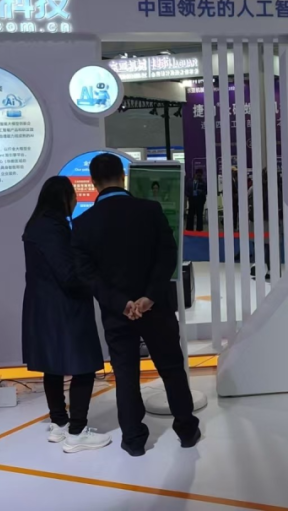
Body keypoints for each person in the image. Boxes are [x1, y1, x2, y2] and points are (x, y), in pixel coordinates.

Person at [72, 153, 200, 455]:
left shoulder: (83, 224)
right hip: (157, 308)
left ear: (93, 182)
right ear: (123, 176)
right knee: (171, 368)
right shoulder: (150, 210)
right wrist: (149, 297)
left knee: (126, 374)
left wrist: (122, 303)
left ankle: (133, 439)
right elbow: (167, 255)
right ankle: (186, 430)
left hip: (117, 313)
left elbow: (88, 275)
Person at [22, 176, 109, 453]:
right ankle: (77, 432)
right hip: (65, 307)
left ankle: (59, 423)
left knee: (53, 367)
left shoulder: (36, 224)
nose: (75, 201)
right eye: (73, 196)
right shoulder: (53, 228)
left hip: (42, 306)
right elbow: (68, 274)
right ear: (64, 198)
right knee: (83, 366)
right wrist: (96, 279)